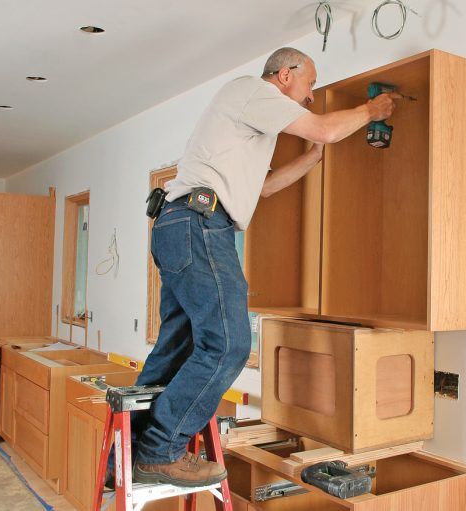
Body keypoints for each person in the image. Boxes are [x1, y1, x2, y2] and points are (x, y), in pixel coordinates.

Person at [123, 47, 399, 487]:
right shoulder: (251, 91)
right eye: (309, 83)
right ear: (285, 74)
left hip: (182, 224)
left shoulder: (249, 122)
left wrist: (309, 160)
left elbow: (264, 189)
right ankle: (161, 451)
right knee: (230, 344)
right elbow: (327, 129)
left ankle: (136, 446)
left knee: (177, 347)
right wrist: (372, 110)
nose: (310, 96)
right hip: (200, 225)